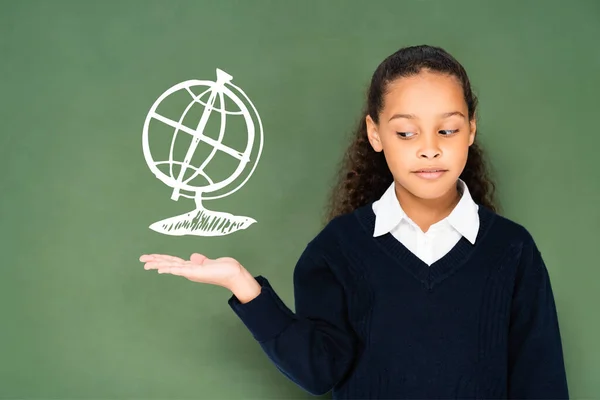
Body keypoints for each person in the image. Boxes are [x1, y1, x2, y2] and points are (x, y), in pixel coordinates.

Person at [140, 44, 569, 399]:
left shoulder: (511, 250)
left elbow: (541, 380)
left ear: (471, 131)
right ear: (375, 133)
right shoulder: (339, 249)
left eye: (448, 130)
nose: (429, 149)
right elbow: (320, 370)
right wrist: (243, 286)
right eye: (406, 132)